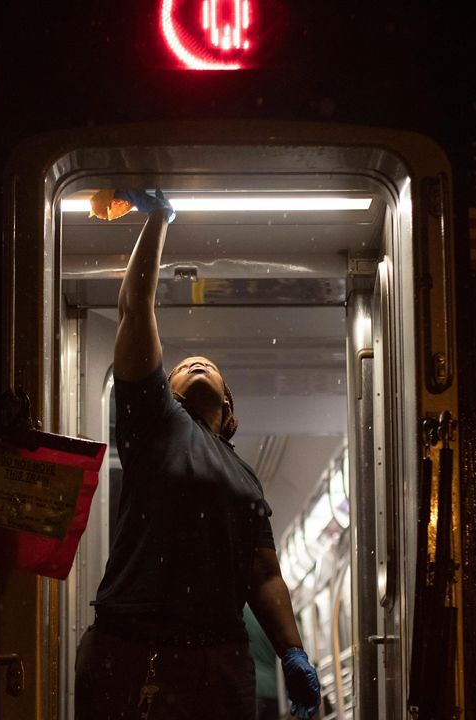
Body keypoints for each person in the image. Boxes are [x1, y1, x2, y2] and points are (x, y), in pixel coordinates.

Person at [74, 190, 321, 720]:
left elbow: (264, 573)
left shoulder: (245, 478)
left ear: (228, 407)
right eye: (186, 365)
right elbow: (133, 308)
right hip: (134, 648)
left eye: (209, 365)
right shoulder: (155, 421)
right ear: (169, 389)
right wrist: (159, 220)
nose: (199, 363)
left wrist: (292, 652)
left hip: (217, 658)